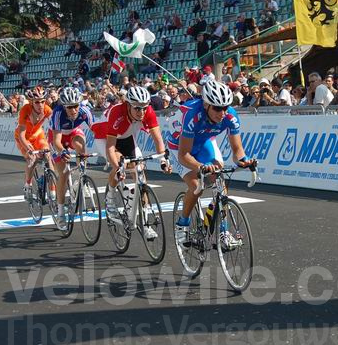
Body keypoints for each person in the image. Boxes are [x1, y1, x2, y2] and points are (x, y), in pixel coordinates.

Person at [173, 80, 256, 249]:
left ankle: (223, 232)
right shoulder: (192, 115)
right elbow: (184, 155)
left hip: (204, 143)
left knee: (219, 179)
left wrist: (244, 161)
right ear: (206, 105)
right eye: (218, 108)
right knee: (197, 186)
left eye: (226, 107)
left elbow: (237, 150)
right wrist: (200, 167)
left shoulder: (231, 116)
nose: (223, 112)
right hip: (179, 148)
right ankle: (183, 223)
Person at [104, 85, 171, 238]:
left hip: (127, 137)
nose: (141, 112)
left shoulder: (148, 112)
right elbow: (109, 148)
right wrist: (118, 167)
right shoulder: (117, 112)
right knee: (121, 163)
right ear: (128, 105)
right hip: (106, 138)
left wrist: (163, 160)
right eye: (137, 108)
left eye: (144, 108)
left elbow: (158, 138)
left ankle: (145, 223)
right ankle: (110, 198)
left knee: (140, 172)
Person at [48, 87, 95, 230]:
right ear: (63, 106)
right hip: (57, 137)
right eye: (70, 107)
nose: (74, 110)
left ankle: (82, 176)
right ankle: (61, 213)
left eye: (76, 106)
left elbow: (96, 131)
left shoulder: (85, 111)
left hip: (74, 132)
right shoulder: (57, 113)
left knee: (81, 144)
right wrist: (62, 151)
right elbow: (56, 141)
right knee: (63, 175)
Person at [15, 86, 56, 204]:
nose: (41, 105)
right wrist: (28, 148)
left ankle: (52, 191)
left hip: (38, 136)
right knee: (32, 160)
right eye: (37, 102)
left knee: (48, 157)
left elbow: (55, 128)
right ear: (32, 102)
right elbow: (22, 135)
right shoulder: (25, 110)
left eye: (43, 101)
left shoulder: (48, 110)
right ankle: (28, 185)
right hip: (23, 137)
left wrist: (55, 142)